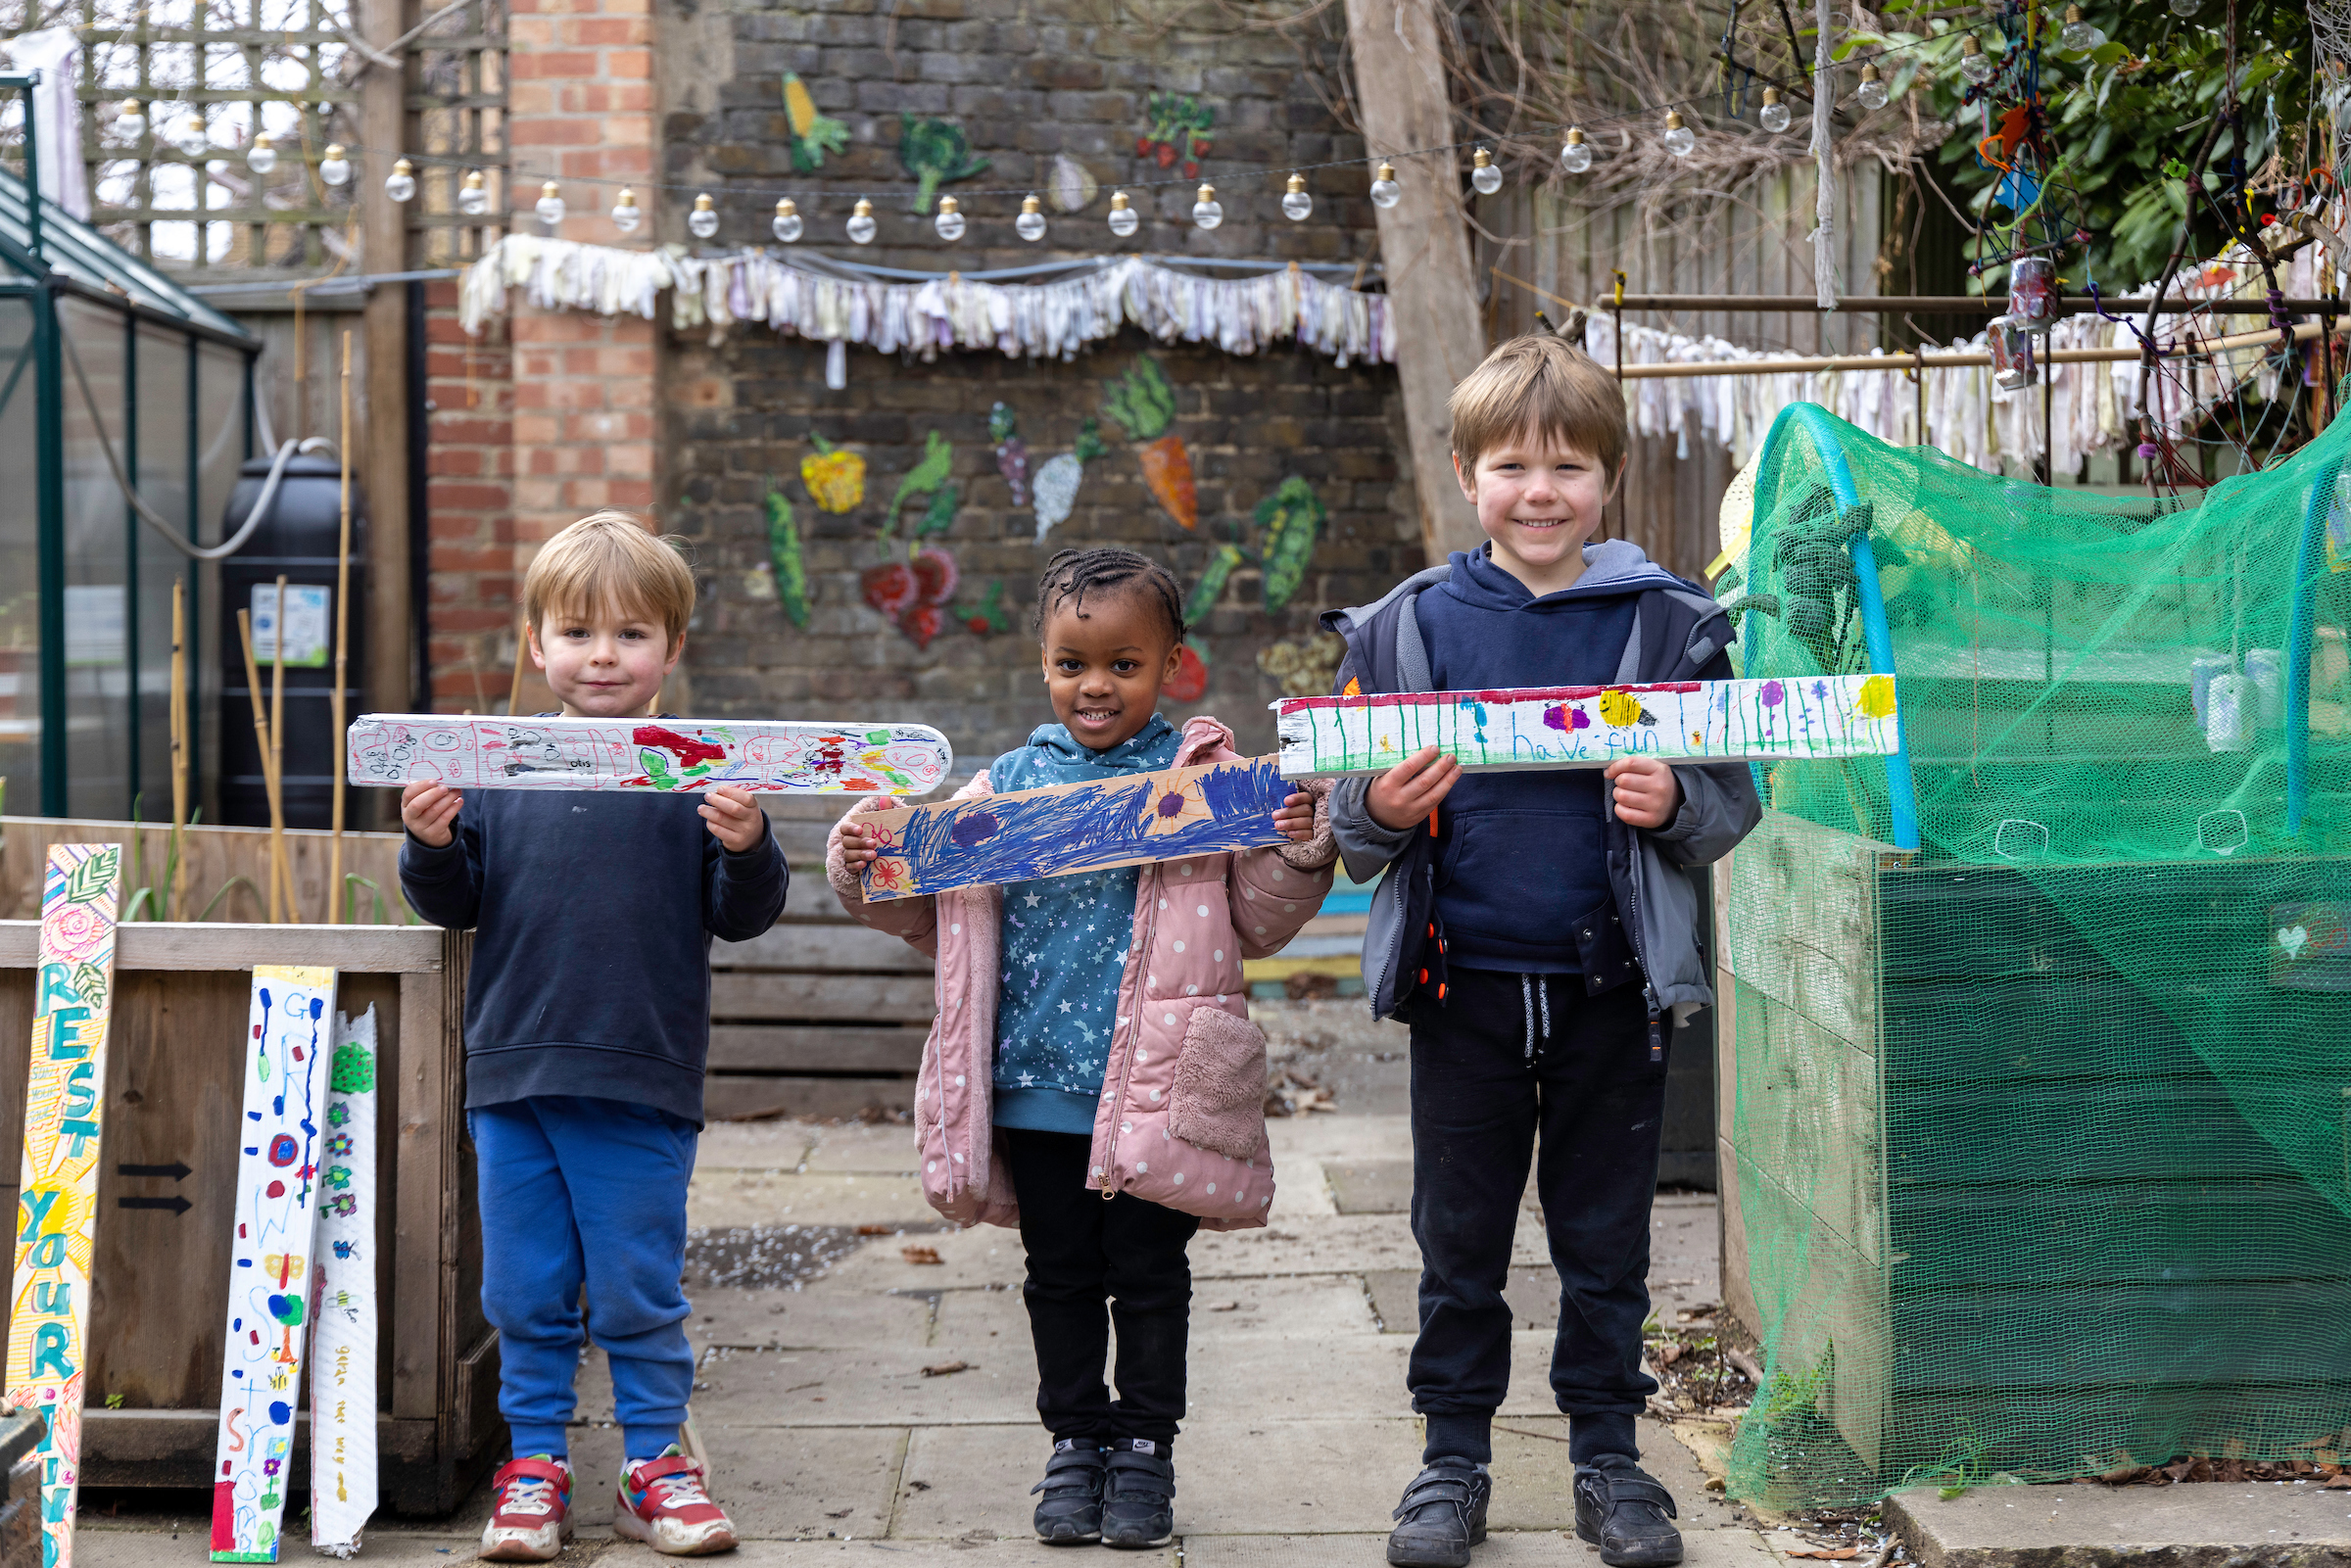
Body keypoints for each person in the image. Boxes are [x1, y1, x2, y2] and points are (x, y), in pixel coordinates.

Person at [1325, 336, 1761, 1568]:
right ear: (1469, 474)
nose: (1540, 491)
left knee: (1605, 1240)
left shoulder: (1672, 625)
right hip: (1459, 989)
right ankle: (1450, 1464)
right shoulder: (1404, 627)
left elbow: (1738, 798)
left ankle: (1613, 1463)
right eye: (1512, 464)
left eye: (1567, 465)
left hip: (1614, 991)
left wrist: (1675, 801)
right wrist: (1383, 810)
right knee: (1457, 1239)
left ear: (1607, 480)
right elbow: (1345, 816)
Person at [831, 546, 1338, 1549]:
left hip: (1156, 1089)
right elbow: (934, 916)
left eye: (1121, 663)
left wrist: (1296, 845)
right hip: (1036, 1089)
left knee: (1150, 1275)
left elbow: (1261, 919)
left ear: (1171, 664)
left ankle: (1144, 1444)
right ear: (1044, 661)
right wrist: (866, 863)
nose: (1094, 684)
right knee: (1057, 1272)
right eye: (1071, 662)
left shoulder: (1209, 784)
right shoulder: (1002, 788)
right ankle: (1074, 1439)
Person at [401, 511, 788, 1561]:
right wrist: (430, 841)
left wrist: (748, 844)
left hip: (641, 1077)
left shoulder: (696, 776)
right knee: (522, 1287)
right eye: (577, 632)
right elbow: (454, 901)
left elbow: (742, 909)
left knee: (634, 1285)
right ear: (536, 645)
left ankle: (656, 1464)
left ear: (672, 647)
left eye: (629, 634)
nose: (602, 654)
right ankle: (534, 1464)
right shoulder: (492, 768)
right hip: (514, 1073)